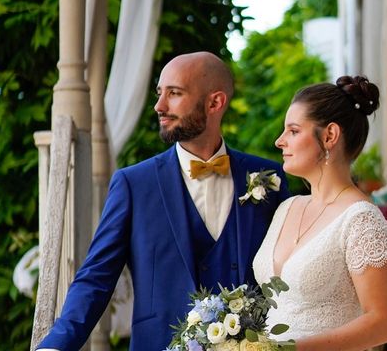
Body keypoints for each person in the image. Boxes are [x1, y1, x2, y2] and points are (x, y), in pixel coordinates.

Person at [37, 52, 289, 351]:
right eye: (160, 93)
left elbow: (289, 272)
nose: (160, 106)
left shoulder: (268, 180)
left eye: (175, 93)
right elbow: (97, 276)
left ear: (215, 102)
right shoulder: (134, 184)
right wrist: (55, 345)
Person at [253, 75, 387, 350]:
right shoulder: (287, 207)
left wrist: (293, 350)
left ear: (330, 135)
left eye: (293, 131)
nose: (279, 141)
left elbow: (385, 322)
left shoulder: (362, 220)